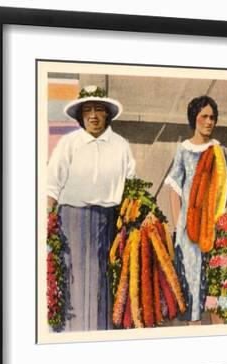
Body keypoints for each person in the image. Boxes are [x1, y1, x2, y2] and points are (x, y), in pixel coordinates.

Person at [47, 85, 136, 331]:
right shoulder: (69, 143)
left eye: (99, 110)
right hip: (72, 222)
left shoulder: (120, 144)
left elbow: (132, 184)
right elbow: (50, 185)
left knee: (102, 282)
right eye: (88, 110)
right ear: (81, 115)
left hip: (110, 223)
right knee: (74, 280)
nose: (94, 115)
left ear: (107, 114)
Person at [164, 95, 227, 325]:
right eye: (204, 116)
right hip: (190, 230)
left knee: (217, 286)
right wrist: (178, 226)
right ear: (194, 118)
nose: (209, 121)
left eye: (212, 117)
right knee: (192, 286)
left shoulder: (219, 151)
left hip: (216, 227)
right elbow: (174, 189)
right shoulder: (183, 150)